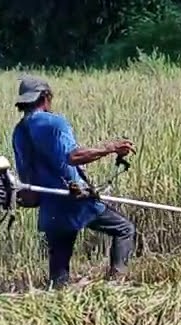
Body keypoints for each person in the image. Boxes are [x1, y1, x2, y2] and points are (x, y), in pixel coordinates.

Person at [11, 75, 137, 289]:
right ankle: (116, 286)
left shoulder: (19, 131)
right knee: (124, 229)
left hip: (49, 206)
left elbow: (26, 174)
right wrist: (111, 148)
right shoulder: (54, 123)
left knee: (59, 276)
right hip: (74, 199)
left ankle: (58, 297)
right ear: (45, 97)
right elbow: (73, 156)